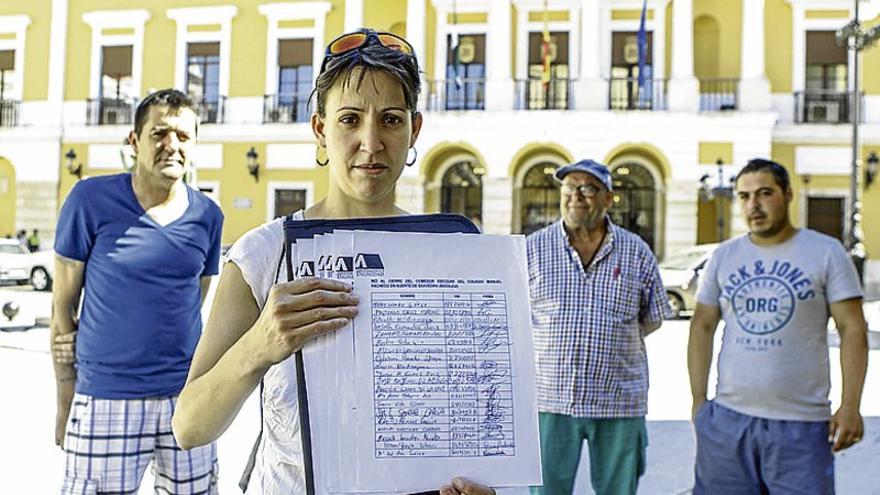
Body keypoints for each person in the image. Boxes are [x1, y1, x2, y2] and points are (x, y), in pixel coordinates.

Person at [172, 29, 494, 495]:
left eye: (390, 119)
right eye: (349, 119)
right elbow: (190, 427)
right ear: (320, 129)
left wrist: (484, 481)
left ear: (414, 130)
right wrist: (259, 345)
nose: (371, 141)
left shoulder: (451, 255)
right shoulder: (264, 254)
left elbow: (479, 414)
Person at [51, 89, 224, 494]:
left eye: (183, 136)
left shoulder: (208, 216)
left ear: (194, 143)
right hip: (106, 398)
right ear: (134, 141)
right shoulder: (89, 201)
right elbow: (62, 308)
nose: (172, 145)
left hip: (185, 398)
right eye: (159, 133)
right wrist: (64, 401)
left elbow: (195, 298)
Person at [688, 158, 869, 494]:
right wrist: (699, 402)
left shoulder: (825, 253)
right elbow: (702, 326)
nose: (753, 205)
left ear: (788, 194)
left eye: (764, 193)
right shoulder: (724, 256)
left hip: (802, 424)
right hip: (728, 421)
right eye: (744, 196)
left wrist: (851, 405)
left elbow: (853, 330)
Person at [526, 159, 670, 495]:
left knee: (618, 491)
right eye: (569, 187)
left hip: (619, 401)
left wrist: (609, 341)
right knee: (546, 492)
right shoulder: (533, 249)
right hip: (551, 399)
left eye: (588, 188)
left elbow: (654, 317)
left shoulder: (636, 252)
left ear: (608, 199)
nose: (576, 195)